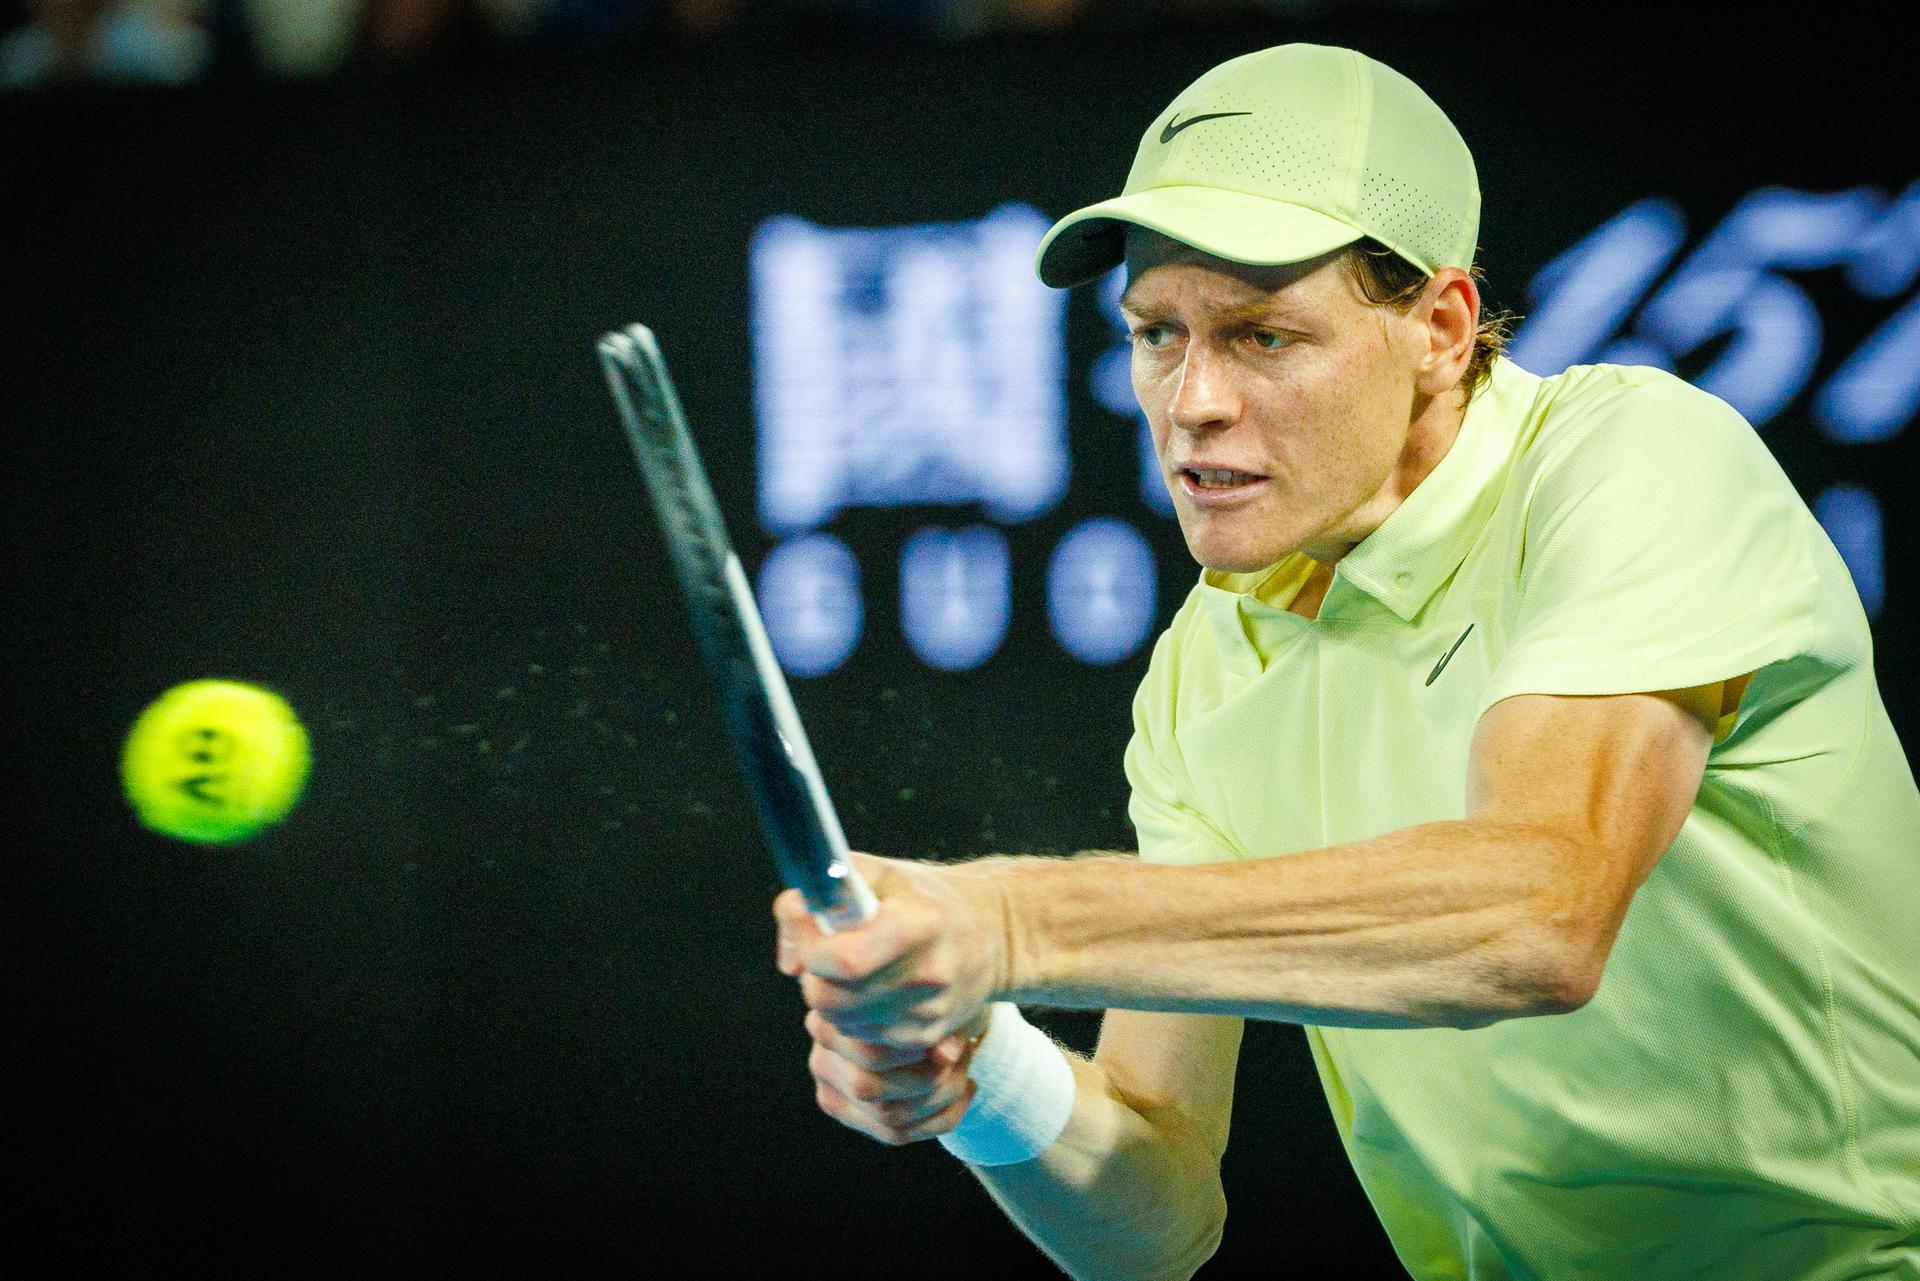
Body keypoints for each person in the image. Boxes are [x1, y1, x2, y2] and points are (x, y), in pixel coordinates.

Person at [773, 43, 1920, 1281]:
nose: (1191, 400)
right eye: (1158, 334)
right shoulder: (1205, 664)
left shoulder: (1634, 460)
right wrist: (979, 1071)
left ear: (1439, 327)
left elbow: (1541, 912)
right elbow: (1157, 1218)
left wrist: (1010, 918)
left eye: (1265, 337)